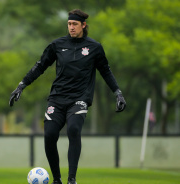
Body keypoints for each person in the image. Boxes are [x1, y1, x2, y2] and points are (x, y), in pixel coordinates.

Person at [9, 9, 126, 184]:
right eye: (69, 24)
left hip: (79, 98)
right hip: (57, 98)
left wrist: (118, 92)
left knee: (73, 129)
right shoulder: (57, 45)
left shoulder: (94, 47)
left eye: (75, 24)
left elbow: (106, 72)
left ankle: (72, 179)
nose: (71, 27)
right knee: (49, 135)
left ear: (83, 25)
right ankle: (57, 179)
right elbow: (40, 66)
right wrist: (21, 85)